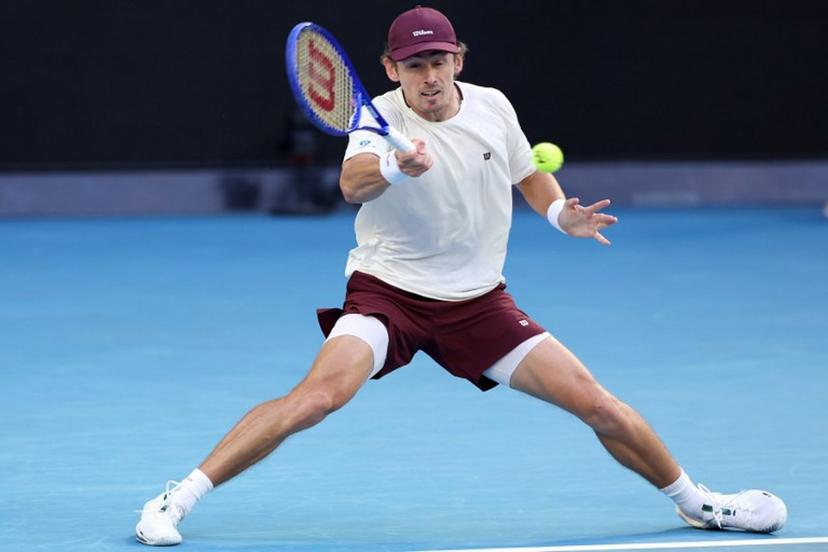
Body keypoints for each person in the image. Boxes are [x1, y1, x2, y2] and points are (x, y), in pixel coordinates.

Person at [135, 6, 787, 546]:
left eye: (439, 60)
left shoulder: (493, 107)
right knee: (316, 398)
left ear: (459, 61)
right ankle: (176, 499)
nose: (428, 74)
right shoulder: (376, 120)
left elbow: (526, 171)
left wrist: (561, 214)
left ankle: (698, 504)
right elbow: (350, 183)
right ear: (391, 70)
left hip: (478, 303)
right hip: (387, 294)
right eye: (413, 64)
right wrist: (395, 168)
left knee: (596, 403)